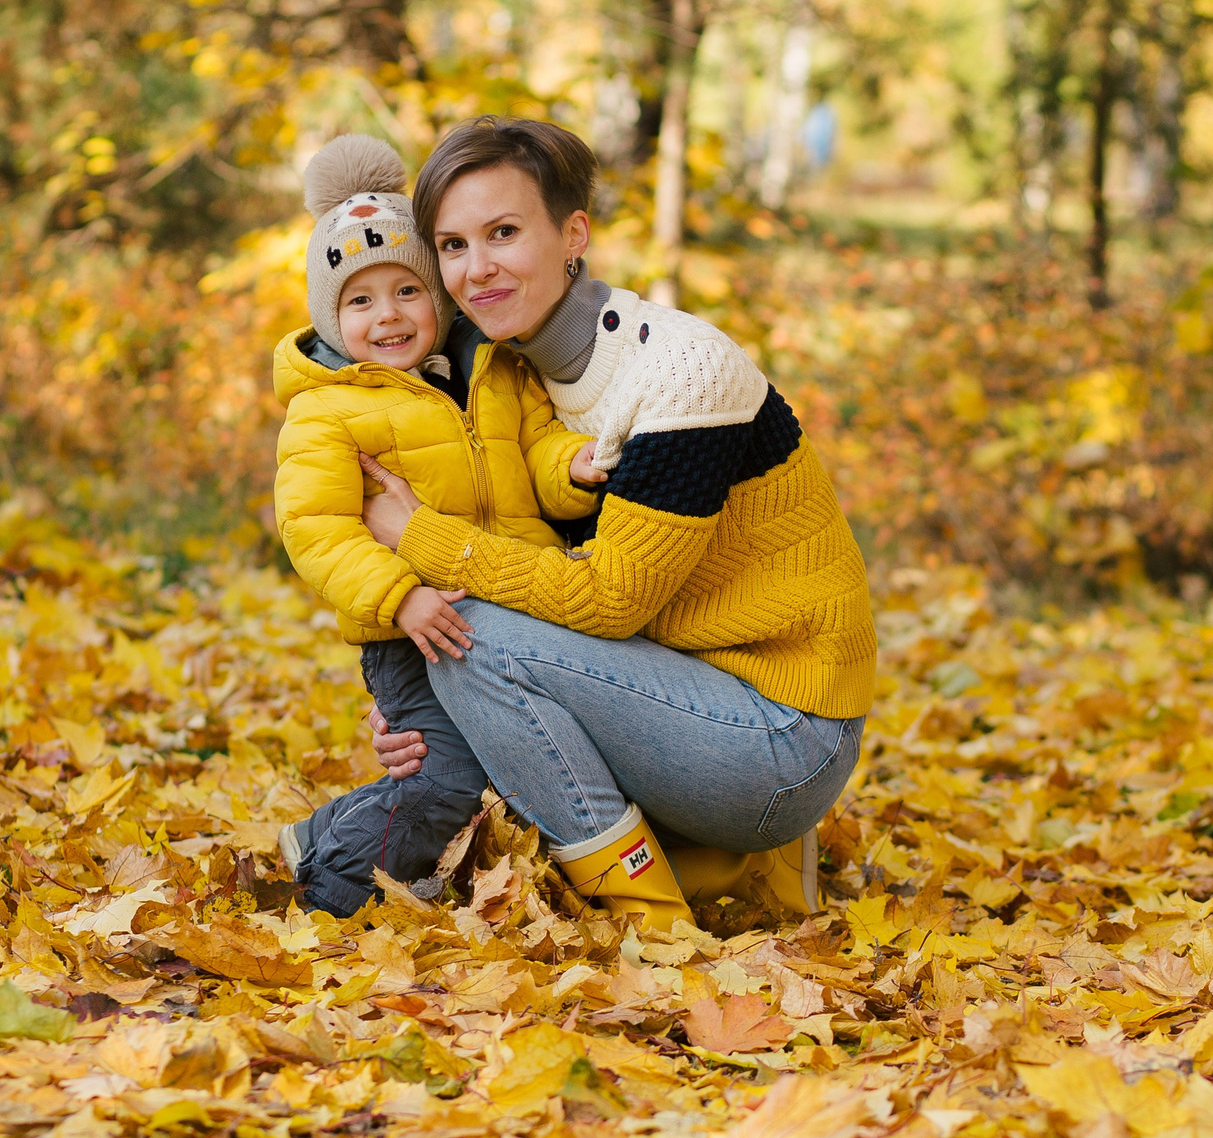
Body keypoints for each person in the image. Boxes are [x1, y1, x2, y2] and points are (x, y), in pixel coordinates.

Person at [357, 116, 876, 935]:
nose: (476, 267)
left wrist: (417, 535)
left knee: (475, 635)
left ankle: (649, 921)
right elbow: (519, 564)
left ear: (573, 234)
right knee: (457, 647)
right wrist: (421, 709)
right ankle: (722, 862)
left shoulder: (678, 374)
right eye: (452, 246)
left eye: (502, 232)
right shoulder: (506, 376)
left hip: (783, 731)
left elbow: (607, 603)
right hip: (681, 690)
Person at [269, 135, 607, 916]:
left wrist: (572, 464)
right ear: (330, 315)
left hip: (507, 604)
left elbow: (535, 448)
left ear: (439, 294)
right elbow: (316, 530)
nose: (388, 316)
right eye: (360, 300)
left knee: (489, 765)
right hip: (412, 629)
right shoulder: (327, 411)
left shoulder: (490, 371)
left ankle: (321, 833)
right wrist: (399, 597)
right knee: (444, 781)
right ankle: (334, 899)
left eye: (407, 291)